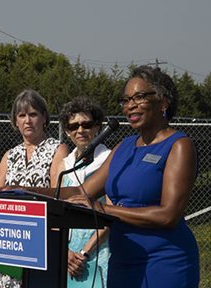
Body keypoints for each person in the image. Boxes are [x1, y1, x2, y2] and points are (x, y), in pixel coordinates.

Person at [68, 66, 200, 287]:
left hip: (164, 262)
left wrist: (104, 209)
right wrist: (24, 191)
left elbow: (168, 215)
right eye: (126, 100)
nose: (130, 105)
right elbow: (81, 193)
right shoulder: (124, 147)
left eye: (139, 97)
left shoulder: (179, 145)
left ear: (163, 102)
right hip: (122, 262)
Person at [0, 89, 69, 288]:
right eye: (22, 115)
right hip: (9, 242)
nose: (27, 120)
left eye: (33, 114)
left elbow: (58, 194)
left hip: (41, 242)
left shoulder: (58, 149)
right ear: (15, 121)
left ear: (44, 118)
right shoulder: (9, 155)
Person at [58, 96, 111, 287]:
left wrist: (84, 253)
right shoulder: (66, 165)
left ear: (97, 127)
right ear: (67, 131)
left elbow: (111, 213)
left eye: (86, 124)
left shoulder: (108, 160)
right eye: (73, 126)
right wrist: (66, 253)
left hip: (98, 252)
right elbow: (58, 210)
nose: (80, 130)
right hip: (69, 254)